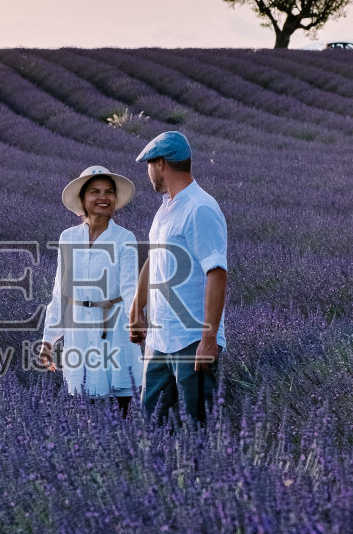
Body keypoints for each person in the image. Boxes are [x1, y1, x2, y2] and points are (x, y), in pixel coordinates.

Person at [128, 131, 227, 424]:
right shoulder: (166, 208)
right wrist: (137, 309)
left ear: (160, 164)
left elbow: (217, 273)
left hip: (190, 340)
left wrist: (208, 339)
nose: (148, 173)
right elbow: (154, 260)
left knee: (197, 428)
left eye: (149, 165)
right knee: (151, 424)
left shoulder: (200, 208)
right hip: (159, 339)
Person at [39, 165, 142, 414]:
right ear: (83, 200)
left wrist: (137, 325)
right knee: (84, 403)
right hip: (80, 327)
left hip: (115, 326)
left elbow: (130, 287)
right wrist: (48, 339)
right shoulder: (68, 237)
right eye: (95, 191)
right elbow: (60, 291)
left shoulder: (124, 237)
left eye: (108, 192)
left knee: (122, 401)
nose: (102, 197)